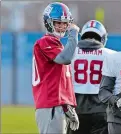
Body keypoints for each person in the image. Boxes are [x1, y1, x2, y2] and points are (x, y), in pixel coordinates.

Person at [32, 2, 80, 134]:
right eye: (58, 23)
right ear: (48, 22)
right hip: (50, 105)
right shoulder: (46, 41)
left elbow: (59, 81)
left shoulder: (57, 45)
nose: (62, 27)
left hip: (55, 105)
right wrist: (73, 36)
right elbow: (65, 59)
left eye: (65, 23)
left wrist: (67, 105)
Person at [68, 20, 116, 134]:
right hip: (102, 108)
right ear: (102, 38)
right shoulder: (111, 55)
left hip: (75, 108)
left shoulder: (70, 53)